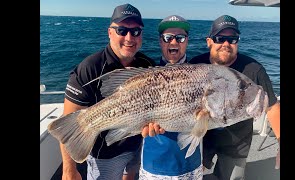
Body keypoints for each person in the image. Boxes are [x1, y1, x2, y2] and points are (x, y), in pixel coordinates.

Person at [60, 3, 155, 180]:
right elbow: (68, 122)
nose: (129, 37)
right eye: (122, 30)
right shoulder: (89, 68)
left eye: (136, 31)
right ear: (110, 32)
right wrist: (69, 170)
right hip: (105, 155)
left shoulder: (147, 65)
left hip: (139, 144)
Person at [189, 15, 280, 180]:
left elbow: (272, 107)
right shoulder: (196, 65)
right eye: (220, 38)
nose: (226, 44)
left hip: (237, 143)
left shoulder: (254, 70)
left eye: (232, 39)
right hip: (202, 138)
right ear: (209, 41)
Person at [139, 15, 203, 180]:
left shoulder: (201, 77)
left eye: (180, 37)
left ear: (187, 41)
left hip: (191, 165)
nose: (174, 42)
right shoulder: (145, 77)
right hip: (153, 166)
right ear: (160, 41)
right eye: (168, 38)